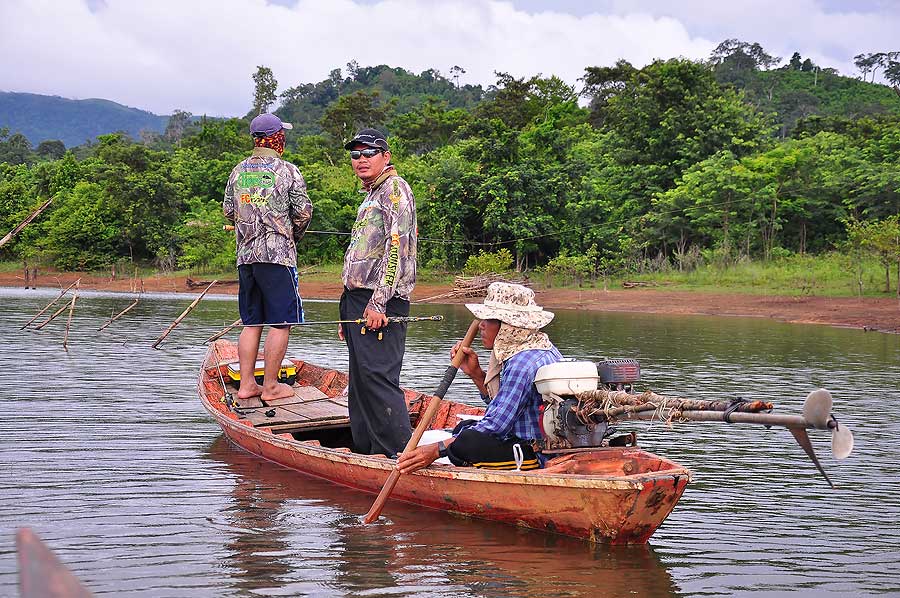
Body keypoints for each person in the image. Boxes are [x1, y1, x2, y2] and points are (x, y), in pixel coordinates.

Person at [398, 282, 562, 473]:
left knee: (467, 441)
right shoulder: (540, 347)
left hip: (533, 454)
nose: (481, 325)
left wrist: (435, 450)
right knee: (466, 426)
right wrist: (476, 374)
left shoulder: (521, 363)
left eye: (489, 319)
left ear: (509, 326)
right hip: (527, 441)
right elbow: (503, 407)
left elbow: (495, 425)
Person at [339, 127, 417, 456]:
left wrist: (378, 303)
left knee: (378, 378)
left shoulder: (394, 189)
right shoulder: (371, 193)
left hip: (380, 301)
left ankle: (401, 455)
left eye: (368, 152)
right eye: (355, 154)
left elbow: (395, 252)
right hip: (356, 301)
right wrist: (349, 312)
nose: (360, 160)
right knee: (359, 383)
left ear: (386, 156)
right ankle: (365, 453)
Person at [223, 113, 312, 402]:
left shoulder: (237, 172)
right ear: (277, 137)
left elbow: (228, 211)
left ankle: (247, 385)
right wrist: (290, 236)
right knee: (281, 322)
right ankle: (271, 386)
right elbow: (303, 213)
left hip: (246, 258)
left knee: (252, 323)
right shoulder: (288, 171)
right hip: (277, 258)